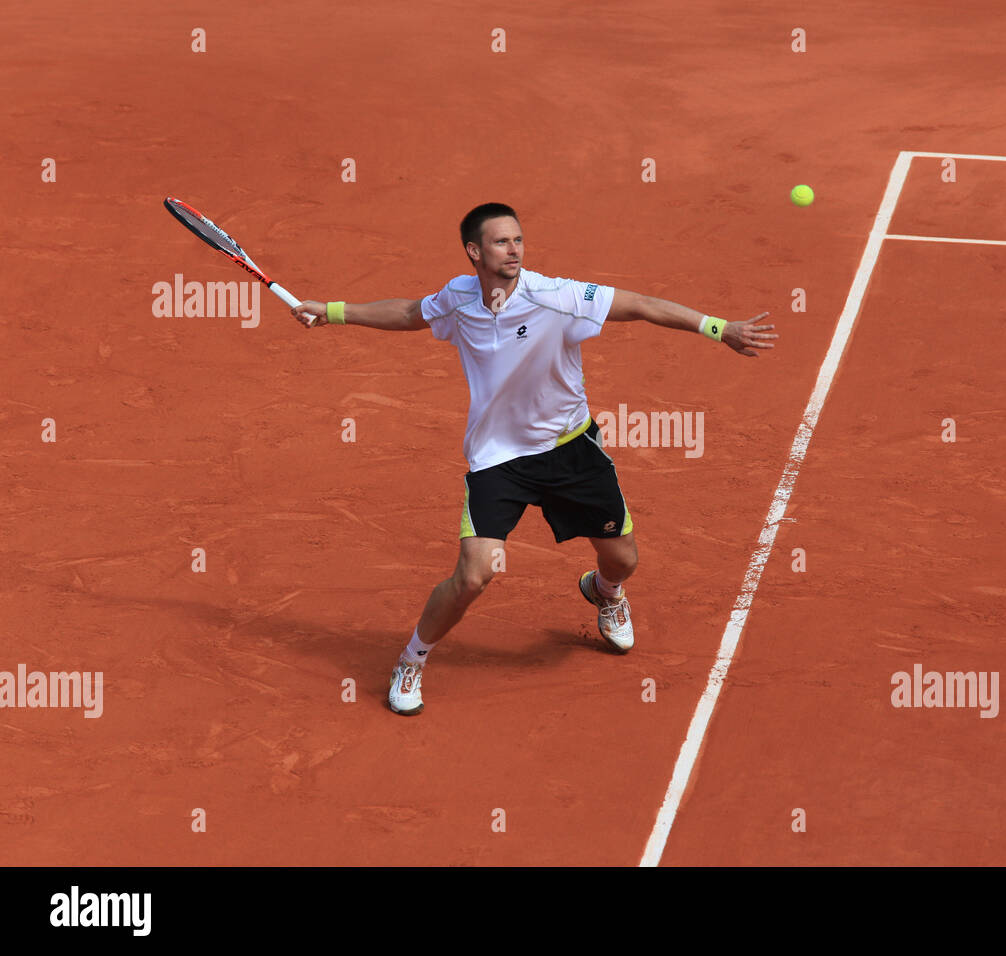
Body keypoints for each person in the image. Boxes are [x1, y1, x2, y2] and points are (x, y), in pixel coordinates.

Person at [290, 203, 778, 715]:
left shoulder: (556, 296)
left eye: (518, 240)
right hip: (499, 460)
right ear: (474, 252)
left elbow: (639, 304)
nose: (515, 249)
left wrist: (720, 328)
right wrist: (332, 310)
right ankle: (412, 658)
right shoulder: (457, 299)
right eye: (502, 242)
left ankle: (604, 591)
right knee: (473, 576)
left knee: (624, 559)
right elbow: (413, 313)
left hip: (570, 449)